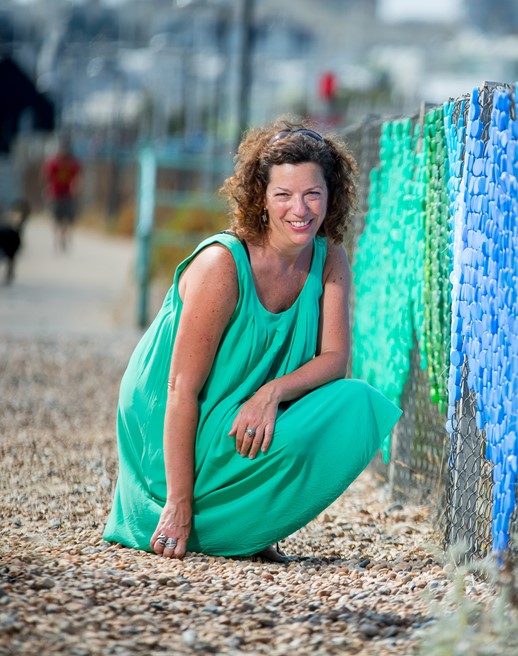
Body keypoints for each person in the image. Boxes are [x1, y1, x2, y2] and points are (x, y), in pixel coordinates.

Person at [103, 119, 402, 561]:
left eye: (312, 194)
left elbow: (336, 359)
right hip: (171, 414)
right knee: (183, 505)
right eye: (283, 195)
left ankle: (247, 526)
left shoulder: (331, 257)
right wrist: (178, 503)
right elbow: (180, 388)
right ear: (260, 198)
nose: (299, 209)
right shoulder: (222, 265)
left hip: (242, 405)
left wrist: (271, 392)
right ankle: (184, 505)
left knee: (356, 403)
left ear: (331, 196)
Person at [42, 134, 82, 251]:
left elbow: (77, 177)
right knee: (56, 218)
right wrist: (47, 189)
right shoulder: (54, 162)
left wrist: (76, 186)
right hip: (55, 194)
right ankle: (57, 239)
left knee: (68, 219)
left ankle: (63, 237)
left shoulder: (72, 163)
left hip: (68, 194)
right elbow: (47, 176)